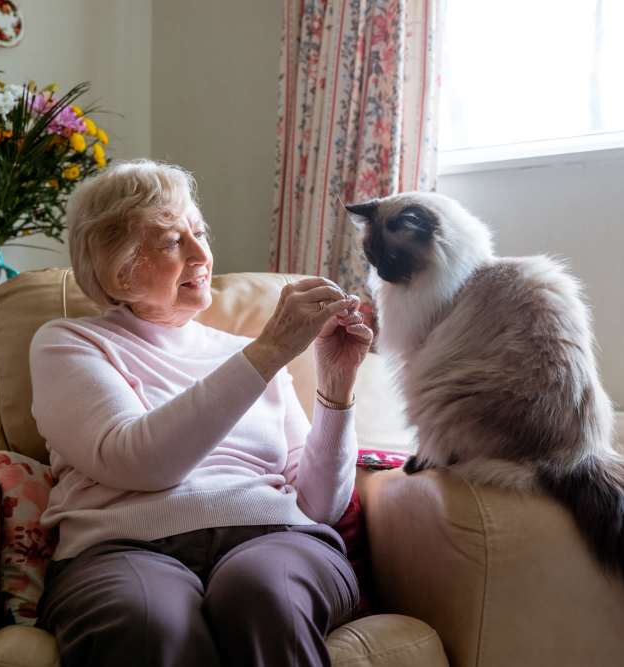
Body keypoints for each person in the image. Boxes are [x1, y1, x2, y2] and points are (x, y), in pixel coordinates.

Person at [30, 159, 373, 667]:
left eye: (199, 231)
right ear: (118, 270)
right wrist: (268, 351)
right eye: (172, 241)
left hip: (277, 539)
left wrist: (336, 386)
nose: (201, 254)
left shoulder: (253, 356)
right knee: (148, 620)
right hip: (122, 548)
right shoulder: (70, 343)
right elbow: (138, 461)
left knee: (263, 593)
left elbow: (319, 504)